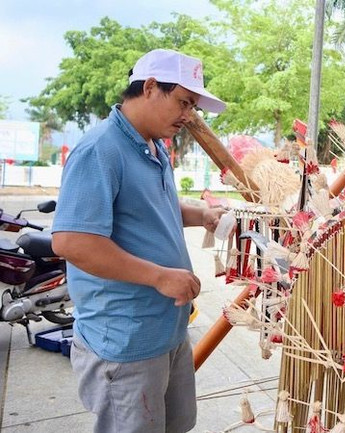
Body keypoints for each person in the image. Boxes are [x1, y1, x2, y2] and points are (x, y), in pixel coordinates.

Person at [51, 49, 227, 433]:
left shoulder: (153, 145)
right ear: (149, 87)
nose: (189, 116)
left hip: (167, 331)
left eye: (193, 106)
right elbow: (71, 242)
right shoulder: (101, 148)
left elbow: (152, 205)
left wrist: (201, 214)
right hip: (125, 341)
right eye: (183, 102)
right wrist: (159, 276)